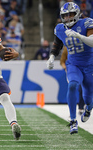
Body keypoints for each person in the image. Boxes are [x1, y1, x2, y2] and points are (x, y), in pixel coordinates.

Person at [46, 2, 93, 134]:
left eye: (70, 15)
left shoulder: (86, 23)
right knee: (72, 85)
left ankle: (89, 108)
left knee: (89, 97)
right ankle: (73, 121)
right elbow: (57, 44)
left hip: (89, 65)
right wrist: (51, 57)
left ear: (77, 14)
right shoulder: (60, 28)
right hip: (73, 64)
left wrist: (79, 36)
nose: (67, 18)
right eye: (65, 16)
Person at [60, 47, 85, 116]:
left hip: (83, 69)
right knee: (72, 88)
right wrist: (66, 68)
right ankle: (73, 111)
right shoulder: (67, 47)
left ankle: (83, 107)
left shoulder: (82, 44)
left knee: (82, 89)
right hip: (72, 71)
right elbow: (62, 61)